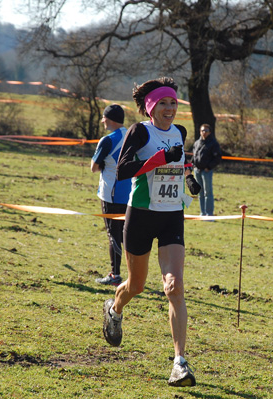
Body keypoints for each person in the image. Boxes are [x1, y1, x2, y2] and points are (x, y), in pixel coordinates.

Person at [102, 77, 201, 387]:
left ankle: (179, 363)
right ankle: (115, 308)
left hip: (172, 214)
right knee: (137, 286)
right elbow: (124, 170)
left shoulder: (180, 132)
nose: (170, 108)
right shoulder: (139, 131)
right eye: (164, 103)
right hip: (141, 214)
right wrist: (161, 159)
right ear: (151, 107)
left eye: (173, 102)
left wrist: (189, 176)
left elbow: (180, 161)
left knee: (174, 287)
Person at [91, 104, 131, 286]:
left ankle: (115, 275)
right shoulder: (132, 135)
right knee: (127, 236)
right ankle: (134, 275)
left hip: (111, 195)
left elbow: (94, 167)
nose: (102, 120)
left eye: (103, 117)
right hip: (131, 194)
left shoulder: (107, 140)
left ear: (110, 119)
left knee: (113, 235)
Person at [192, 123, 221, 216]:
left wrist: (209, 167)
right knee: (200, 193)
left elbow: (217, 158)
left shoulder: (213, 143)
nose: (204, 132)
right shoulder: (197, 143)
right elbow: (194, 155)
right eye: (202, 130)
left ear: (210, 132)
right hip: (197, 170)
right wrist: (192, 165)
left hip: (206, 171)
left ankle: (209, 213)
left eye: (206, 131)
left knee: (207, 192)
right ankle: (202, 213)